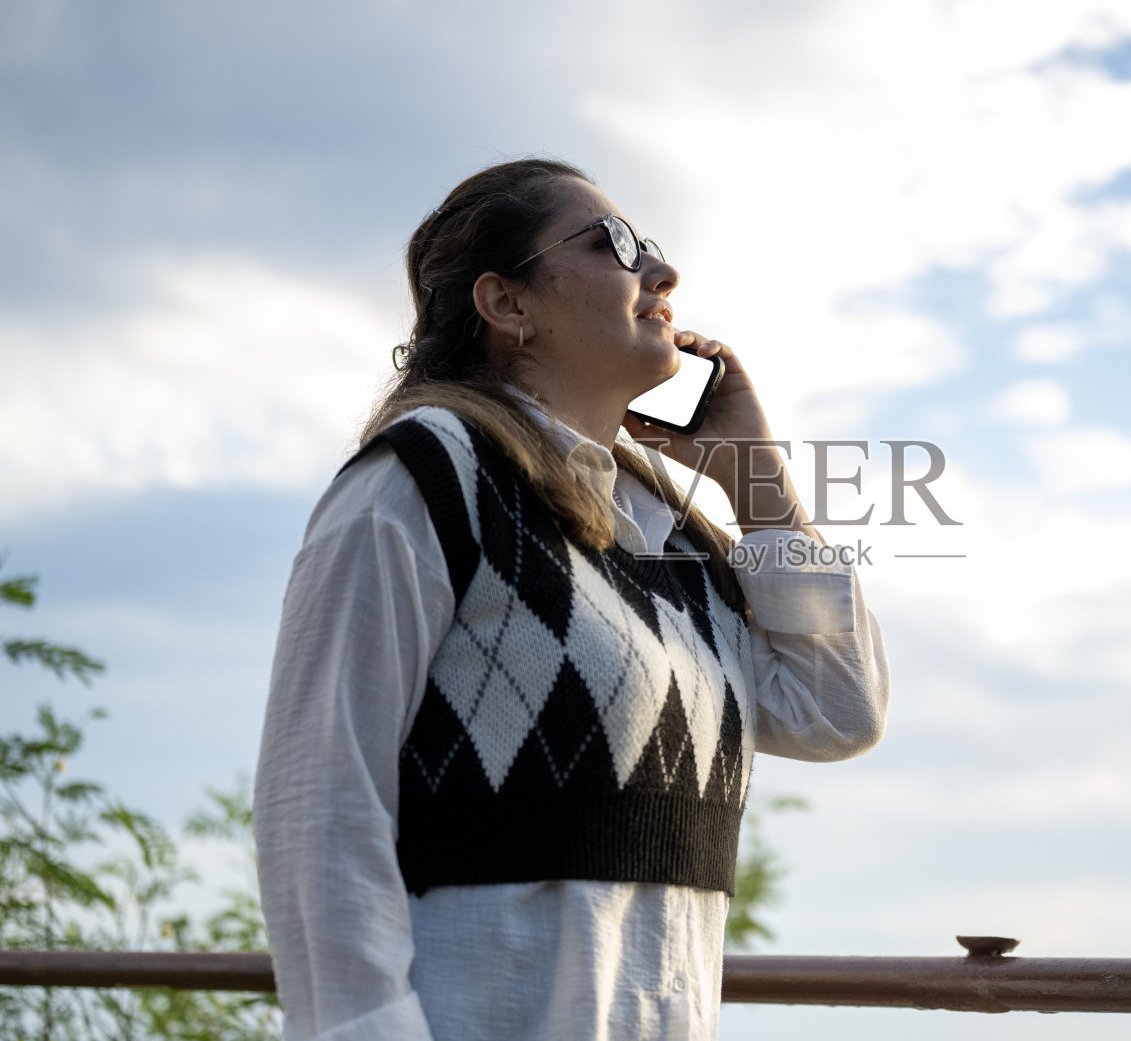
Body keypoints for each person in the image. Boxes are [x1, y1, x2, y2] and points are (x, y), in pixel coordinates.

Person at [253, 157, 891, 1041]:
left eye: (654, 250)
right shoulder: (427, 475)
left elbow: (836, 711)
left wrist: (757, 482)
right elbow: (319, 801)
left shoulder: (669, 533)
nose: (661, 274)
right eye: (615, 246)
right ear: (507, 305)